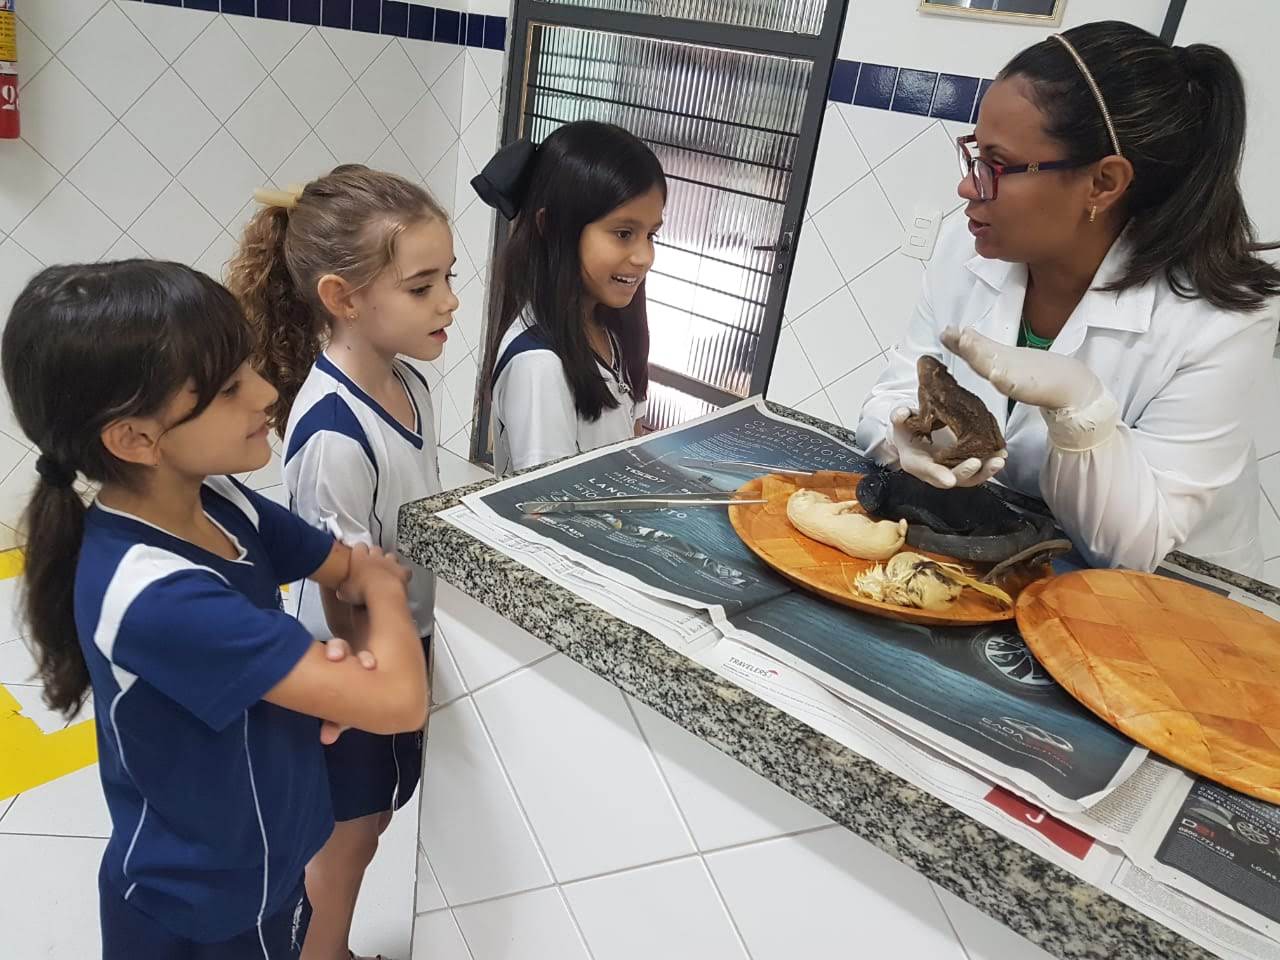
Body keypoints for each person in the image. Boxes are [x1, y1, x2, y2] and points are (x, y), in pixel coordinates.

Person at [1, 260, 427, 958]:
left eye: (250, 367)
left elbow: (337, 566)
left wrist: (333, 671)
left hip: (273, 863)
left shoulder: (220, 500)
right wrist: (381, 597)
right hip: (201, 905)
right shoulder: (152, 594)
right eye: (230, 388)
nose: (266, 391)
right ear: (135, 438)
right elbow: (397, 695)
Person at [856, 21, 1280, 575]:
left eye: (997, 165)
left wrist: (1080, 409)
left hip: (1171, 598)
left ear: (1103, 183)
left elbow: (1130, 548)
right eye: (974, 156)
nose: (968, 187)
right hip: (1009, 549)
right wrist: (904, 435)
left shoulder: (1219, 318)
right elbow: (895, 387)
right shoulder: (967, 245)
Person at [228, 164, 454, 960]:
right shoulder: (329, 432)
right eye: (423, 286)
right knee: (347, 841)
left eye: (447, 280)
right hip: (354, 666)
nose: (449, 303)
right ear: (342, 298)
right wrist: (389, 684)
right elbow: (340, 592)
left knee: (376, 818)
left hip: (404, 644)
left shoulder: (412, 385)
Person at [473, 120, 666, 476]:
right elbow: (548, 506)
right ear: (551, 226)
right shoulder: (539, 365)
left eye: (651, 234)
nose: (644, 257)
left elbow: (631, 438)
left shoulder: (610, 328)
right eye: (624, 233)